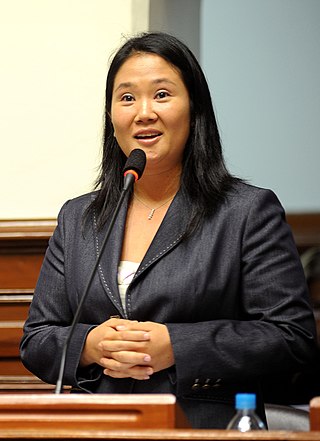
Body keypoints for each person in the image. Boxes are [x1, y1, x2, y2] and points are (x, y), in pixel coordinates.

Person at [20, 31, 318, 429]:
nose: (143, 112)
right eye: (127, 98)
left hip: (203, 429)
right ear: (111, 119)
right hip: (96, 427)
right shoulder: (79, 218)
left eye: (161, 94)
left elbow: (292, 338)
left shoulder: (246, 212)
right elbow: (37, 339)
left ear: (195, 111)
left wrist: (177, 346)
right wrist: (90, 346)